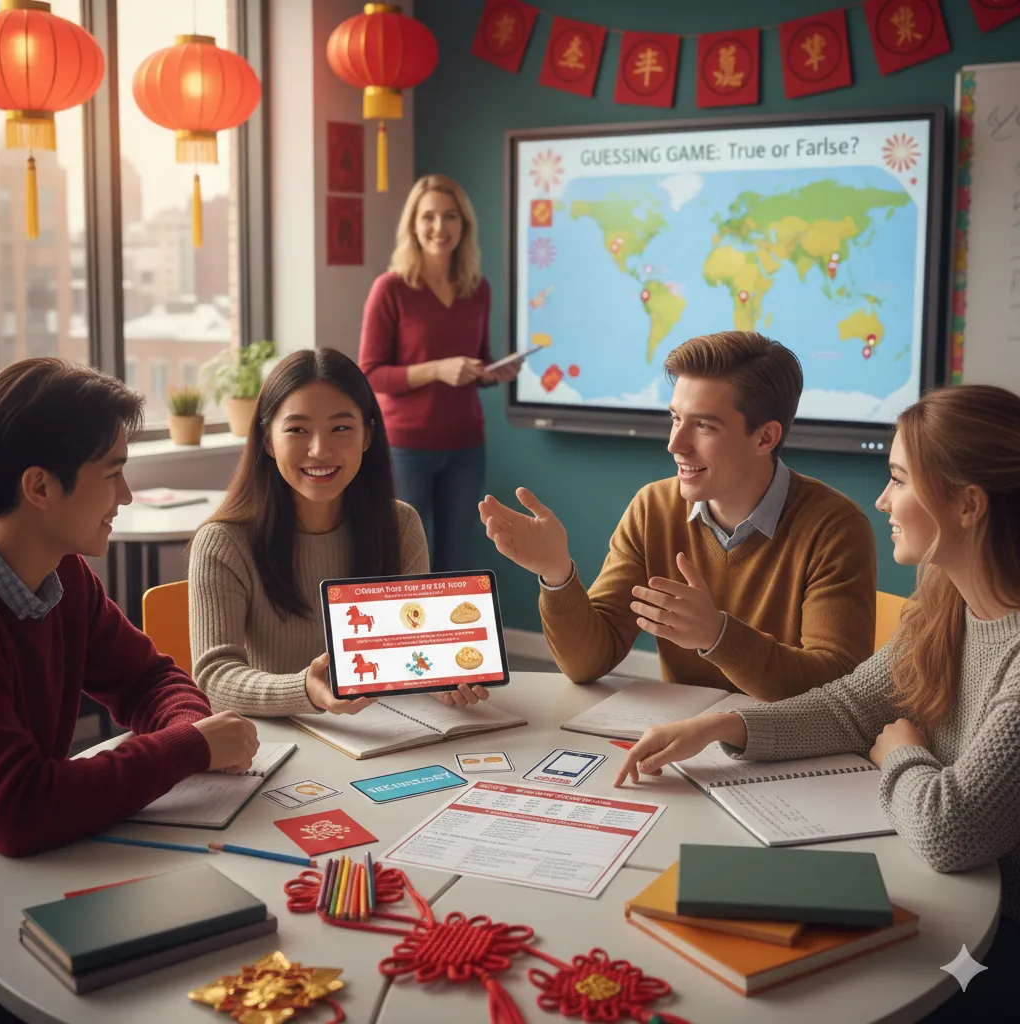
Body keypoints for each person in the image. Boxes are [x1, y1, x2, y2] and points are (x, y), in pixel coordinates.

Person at [614, 383, 1020, 1016]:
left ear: (968, 504)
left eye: (898, 480)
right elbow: (853, 705)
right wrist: (725, 726)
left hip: (997, 938)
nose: (882, 499)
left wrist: (900, 753)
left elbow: (952, 830)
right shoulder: (945, 601)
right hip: (947, 897)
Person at [479, 331, 877, 699]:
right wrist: (556, 575)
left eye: (703, 425)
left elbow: (838, 686)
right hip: (684, 741)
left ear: (765, 437)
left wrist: (719, 636)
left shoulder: (834, 528)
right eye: (675, 418)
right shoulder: (653, 508)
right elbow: (587, 663)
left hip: (785, 745)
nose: (675, 444)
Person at [0, 359, 258, 858]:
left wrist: (189, 732)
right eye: (113, 473)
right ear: (40, 487)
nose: (127, 495)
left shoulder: (65, 574)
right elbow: (19, 811)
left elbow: (150, 680)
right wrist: (189, 748)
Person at [190, 348, 487, 716]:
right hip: (271, 739)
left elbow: (410, 650)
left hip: (382, 731)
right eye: (297, 430)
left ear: (367, 435)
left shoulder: (400, 525)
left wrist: (436, 677)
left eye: (341, 428)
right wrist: (305, 690)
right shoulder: (223, 542)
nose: (320, 450)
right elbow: (213, 678)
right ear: (267, 440)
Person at [359, 173, 519, 575]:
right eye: (428, 216)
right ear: (413, 225)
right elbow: (370, 374)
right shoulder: (390, 289)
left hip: (466, 448)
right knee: (401, 561)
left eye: (450, 216)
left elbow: (476, 362)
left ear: (464, 225)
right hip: (405, 449)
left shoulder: (477, 288)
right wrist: (436, 370)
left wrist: (493, 372)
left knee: (455, 565)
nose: (439, 227)